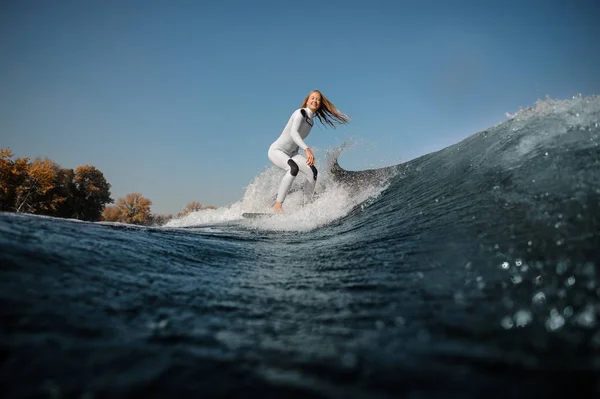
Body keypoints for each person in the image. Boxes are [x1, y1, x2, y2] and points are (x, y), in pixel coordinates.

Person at [268, 90, 350, 213]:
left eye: (317, 99)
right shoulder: (300, 113)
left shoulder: (311, 122)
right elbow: (294, 133)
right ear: (307, 101)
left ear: (319, 104)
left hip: (292, 153)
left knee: (312, 171)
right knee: (293, 169)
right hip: (277, 151)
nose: (315, 100)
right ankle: (278, 206)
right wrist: (307, 150)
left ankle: (306, 206)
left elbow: (296, 140)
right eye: (312, 98)